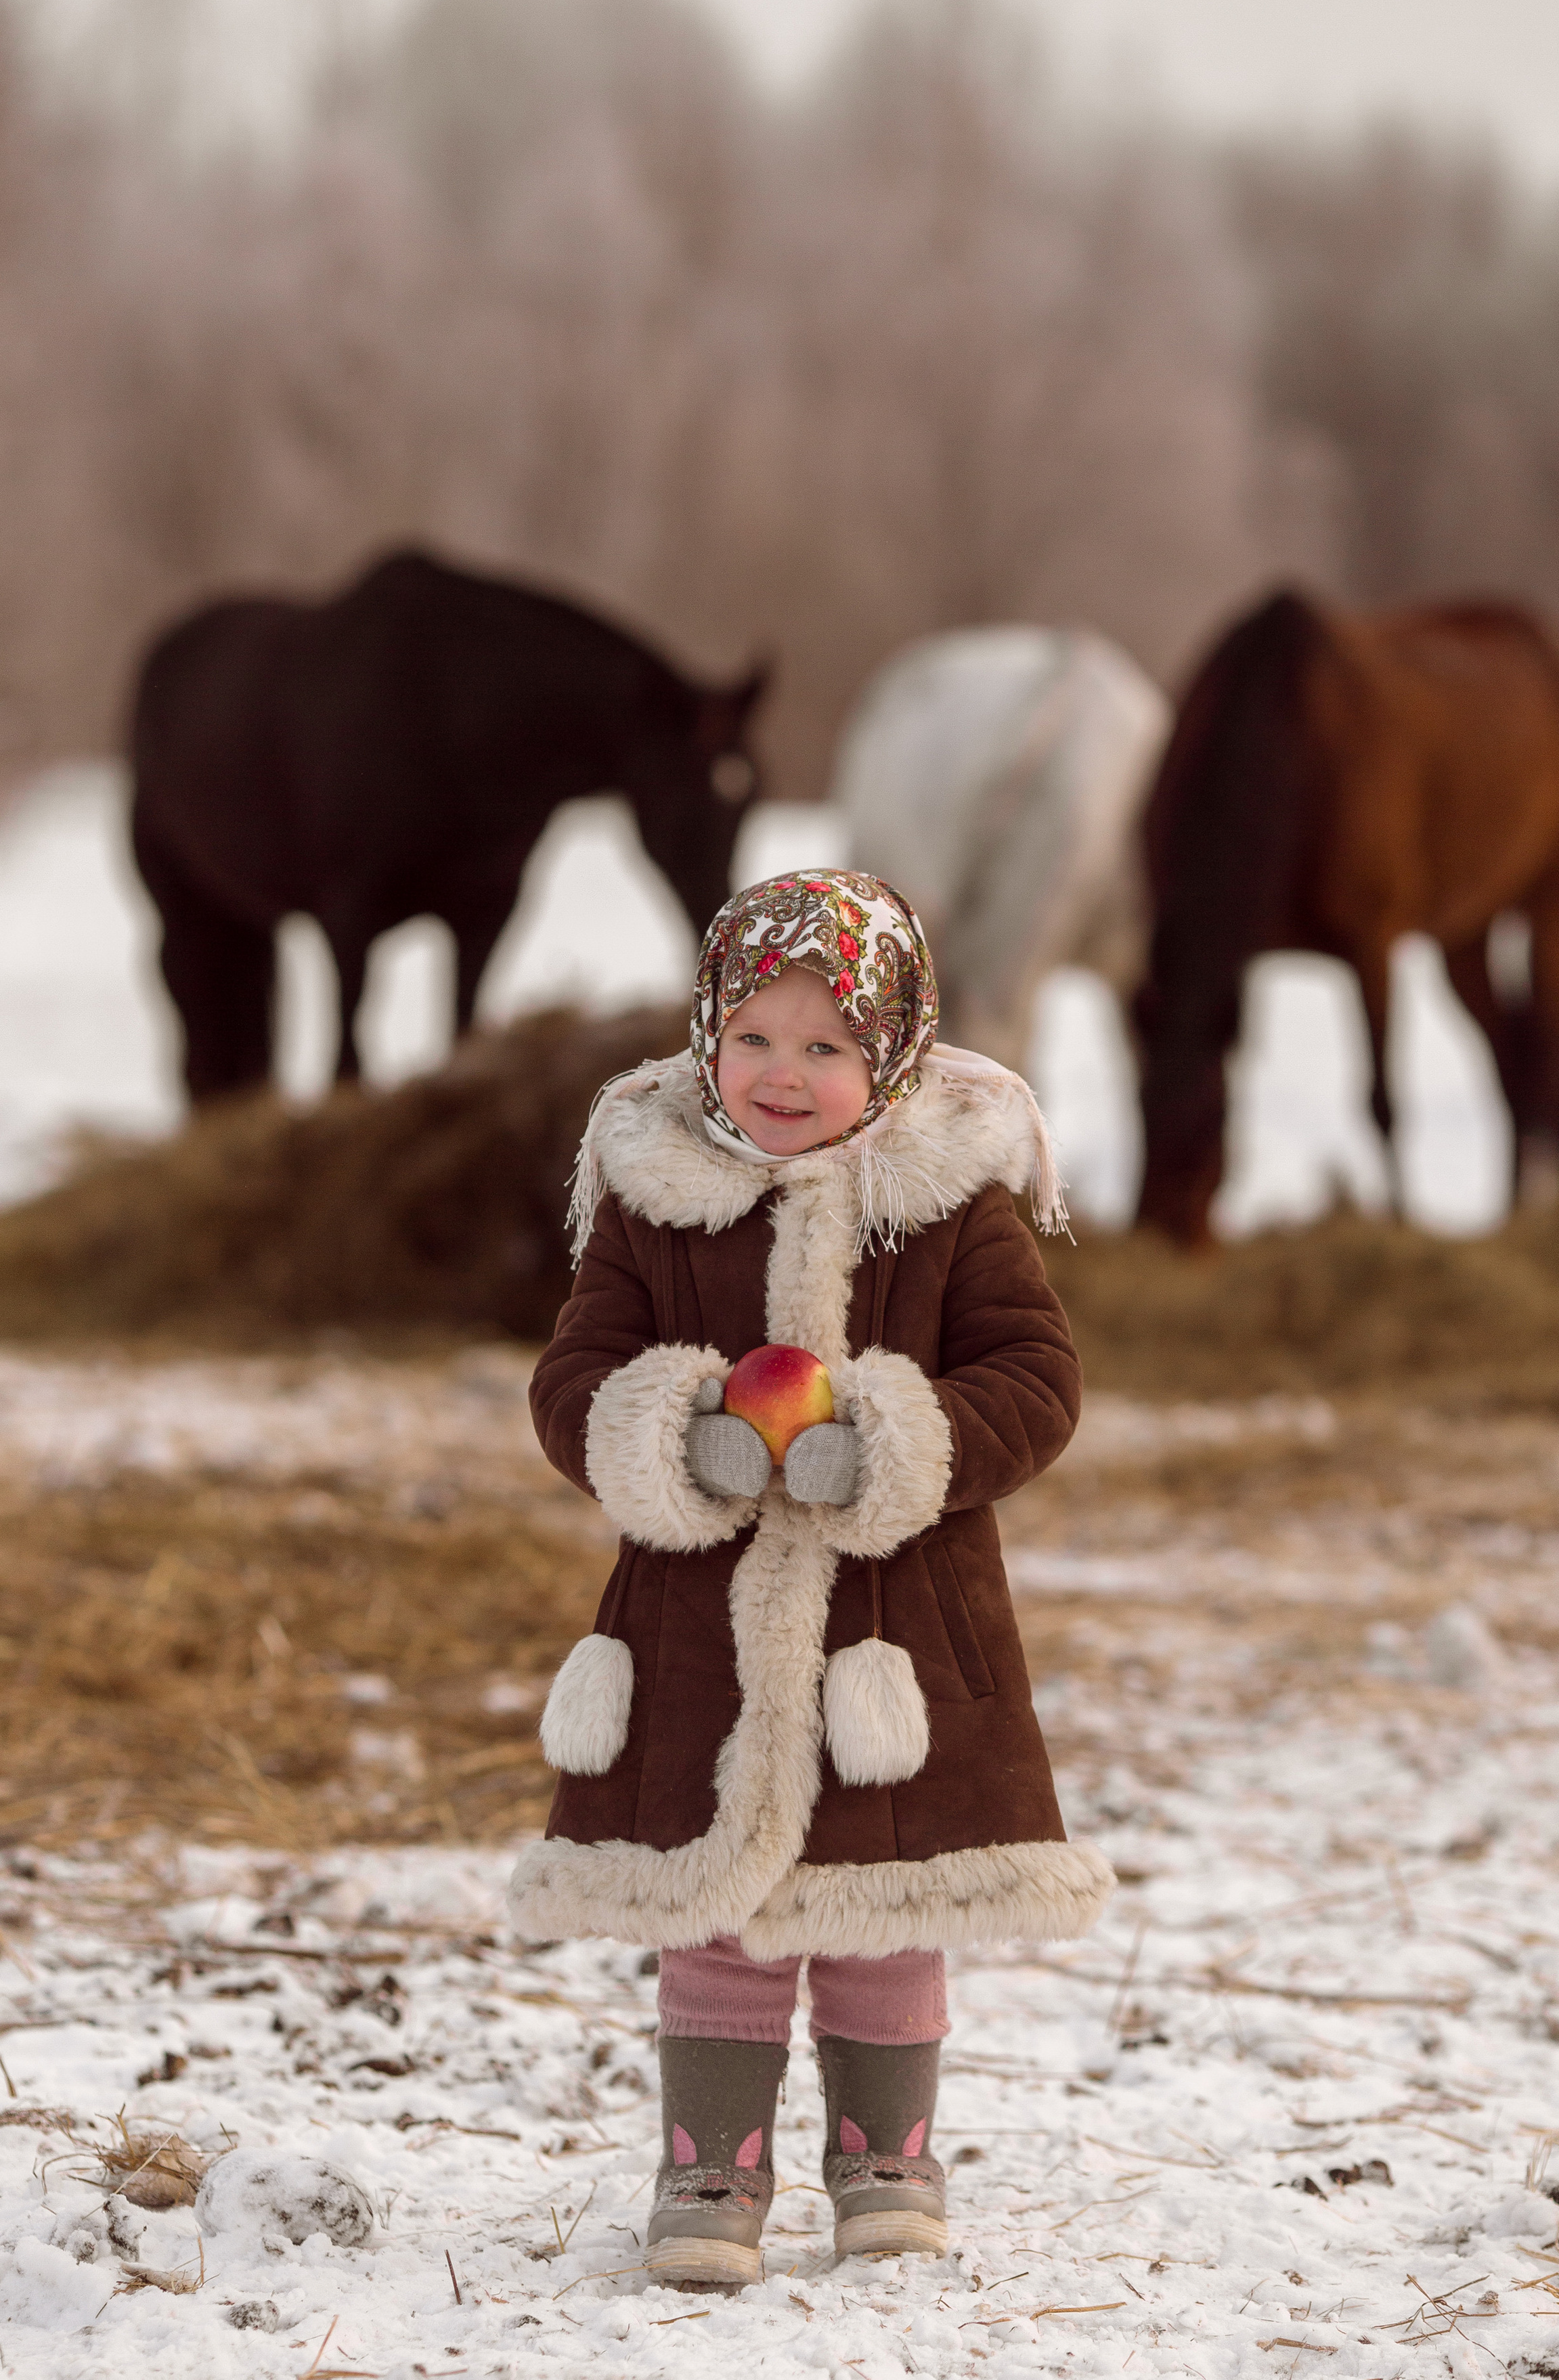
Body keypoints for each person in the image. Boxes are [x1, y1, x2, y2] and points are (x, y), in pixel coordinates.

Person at [509, 870, 1111, 2289]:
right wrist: (675, 1431)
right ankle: (709, 2171)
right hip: (694, 1624)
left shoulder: (947, 1205)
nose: (782, 1076)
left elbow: (1036, 1377)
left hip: (890, 1628)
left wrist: (897, 1444)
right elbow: (570, 1379)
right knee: (715, 1906)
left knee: (881, 1901)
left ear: (890, 1052)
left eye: (826, 1047)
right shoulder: (659, 1197)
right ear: (706, 1031)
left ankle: (883, 2158)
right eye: (754, 1040)